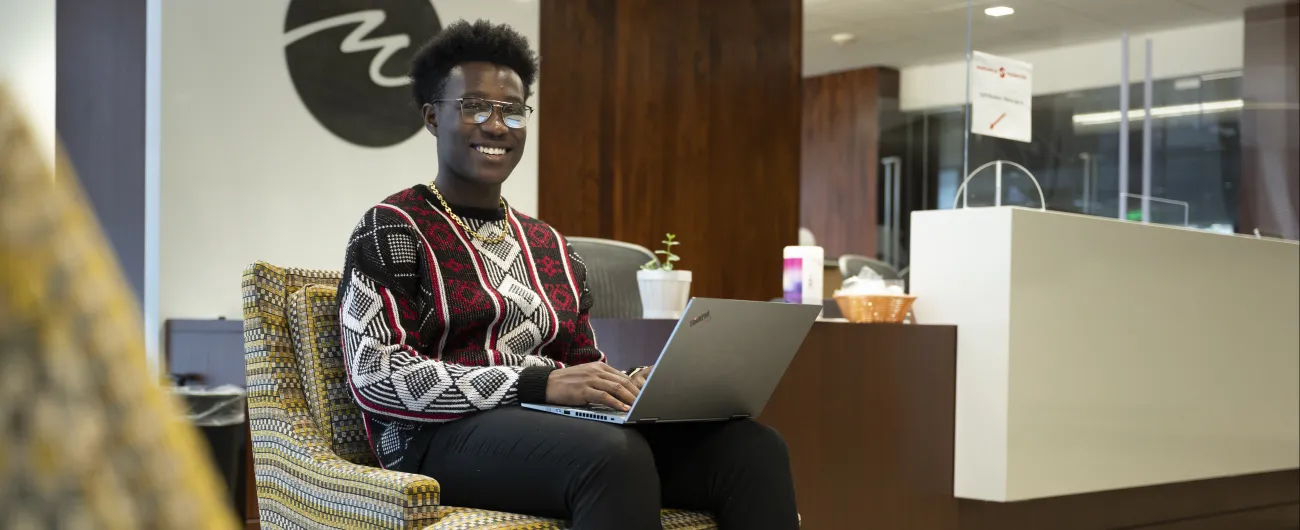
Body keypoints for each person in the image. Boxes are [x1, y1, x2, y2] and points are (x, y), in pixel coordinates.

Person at [337, 20, 798, 529]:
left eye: (513, 111)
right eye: (474, 107)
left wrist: (630, 386)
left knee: (752, 449)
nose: (496, 126)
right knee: (613, 456)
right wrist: (534, 384)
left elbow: (579, 365)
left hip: (557, 430)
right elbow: (376, 376)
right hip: (436, 440)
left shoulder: (552, 246)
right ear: (431, 117)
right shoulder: (392, 228)